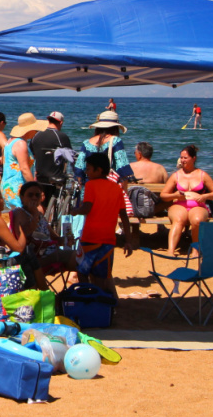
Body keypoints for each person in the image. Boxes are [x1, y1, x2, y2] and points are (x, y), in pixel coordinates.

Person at [75, 153, 136, 295]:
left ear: (99, 170)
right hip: (108, 239)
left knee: (82, 271)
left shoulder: (90, 185)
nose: (86, 172)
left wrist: (75, 211)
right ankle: (101, 300)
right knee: (102, 276)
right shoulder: (117, 188)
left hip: (90, 238)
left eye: (88, 169)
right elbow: (124, 216)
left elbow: (87, 208)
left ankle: (86, 297)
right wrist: (128, 240)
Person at [160, 145, 213, 253]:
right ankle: (171, 251)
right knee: (178, 220)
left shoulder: (202, 175)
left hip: (198, 205)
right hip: (179, 205)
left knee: (197, 220)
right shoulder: (176, 176)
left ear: (193, 158)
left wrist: (204, 196)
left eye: (185, 158)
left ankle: (195, 250)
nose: (182, 160)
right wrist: (175, 195)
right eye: (181, 158)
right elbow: (163, 195)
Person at [74, 110, 133, 183]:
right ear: (115, 127)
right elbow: (122, 167)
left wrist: (81, 185)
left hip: (89, 184)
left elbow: (79, 168)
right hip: (107, 184)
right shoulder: (115, 141)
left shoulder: (86, 143)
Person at [28, 111, 72, 200]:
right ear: (61, 123)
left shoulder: (36, 136)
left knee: (41, 202)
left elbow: (33, 154)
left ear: (48, 120)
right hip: (56, 176)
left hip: (40, 176)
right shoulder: (62, 136)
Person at [0, 113, 42, 208]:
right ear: (29, 129)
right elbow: (24, 169)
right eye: (35, 129)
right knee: (24, 215)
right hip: (18, 186)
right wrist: (36, 189)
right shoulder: (20, 143)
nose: (36, 131)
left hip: (9, 185)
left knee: (17, 214)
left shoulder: (10, 141)